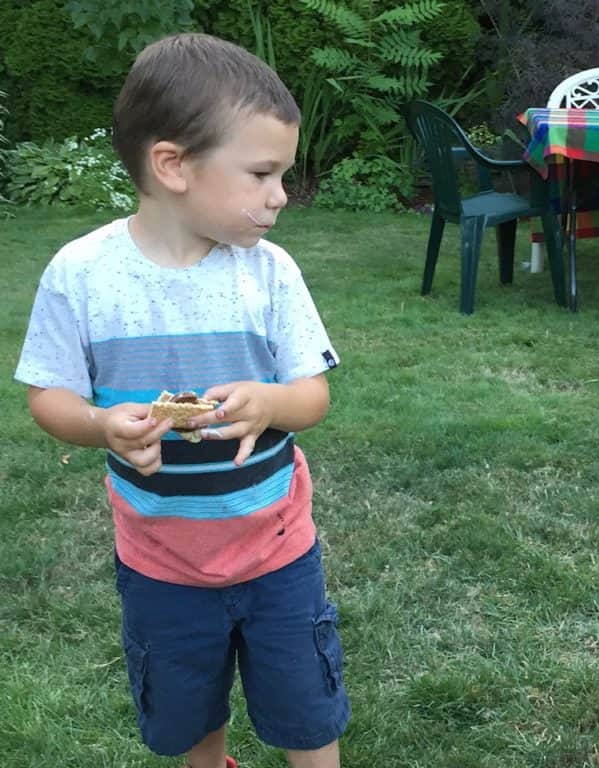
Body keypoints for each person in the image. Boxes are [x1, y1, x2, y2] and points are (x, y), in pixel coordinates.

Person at [14, 33, 349, 768]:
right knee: (187, 712)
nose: (280, 195)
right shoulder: (83, 276)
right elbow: (48, 395)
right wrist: (99, 424)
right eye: (262, 173)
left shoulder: (268, 273)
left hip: (276, 553)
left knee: (305, 708)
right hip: (160, 561)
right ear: (172, 166)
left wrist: (270, 402)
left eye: (282, 175)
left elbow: (312, 395)